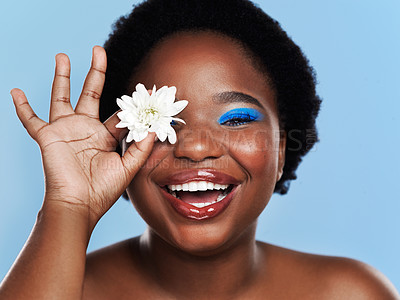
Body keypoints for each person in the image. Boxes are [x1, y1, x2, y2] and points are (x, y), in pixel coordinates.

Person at [1, 0, 399, 299]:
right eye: (162, 121)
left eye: (237, 118)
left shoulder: (350, 293)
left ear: (281, 149)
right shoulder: (68, 291)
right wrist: (68, 206)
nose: (194, 146)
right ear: (118, 147)